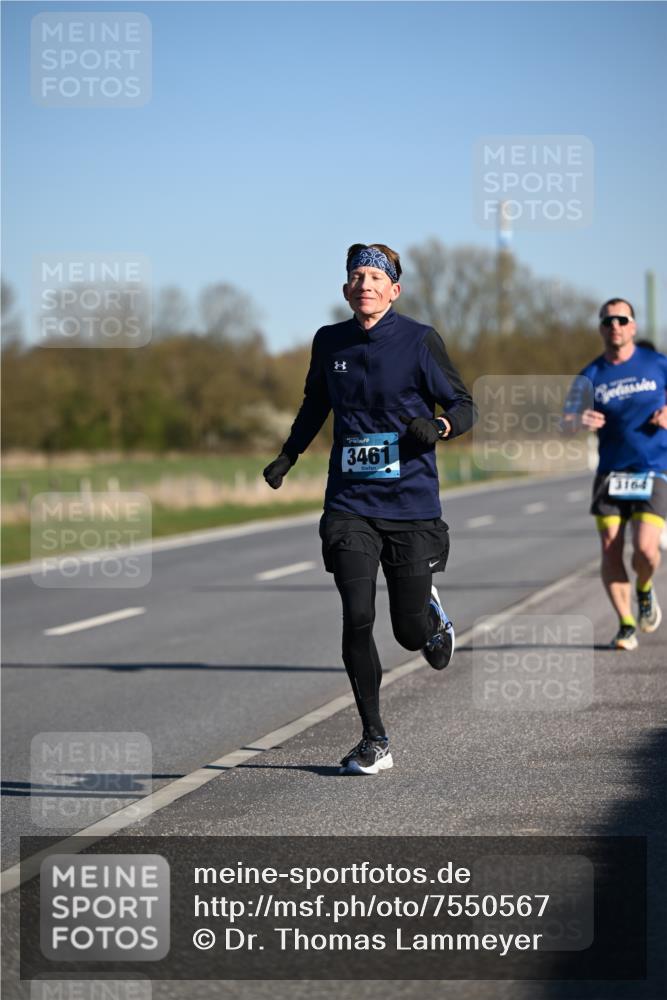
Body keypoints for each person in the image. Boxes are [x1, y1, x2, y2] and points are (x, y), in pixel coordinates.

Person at [263, 243, 476, 774]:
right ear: (345, 289)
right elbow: (316, 403)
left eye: (376, 278)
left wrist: (441, 425)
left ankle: (430, 617)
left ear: (394, 290)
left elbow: (464, 404)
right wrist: (289, 455)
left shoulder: (420, 340)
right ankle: (374, 739)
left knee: (407, 633)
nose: (365, 284)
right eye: (357, 276)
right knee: (357, 615)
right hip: (350, 503)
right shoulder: (329, 341)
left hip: (410, 503)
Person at [563, 298, 667, 650]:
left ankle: (644, 588)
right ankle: (625, 624)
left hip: (652, 469)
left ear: (633, 326)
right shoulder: (590, 375)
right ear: (601, 329)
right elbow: (565, 423)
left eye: (622, 320)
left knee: (646, 550)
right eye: (608, 322)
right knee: (610, 549)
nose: (615, 327)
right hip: (610, 473)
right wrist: (579, 420)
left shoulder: (657, 363)